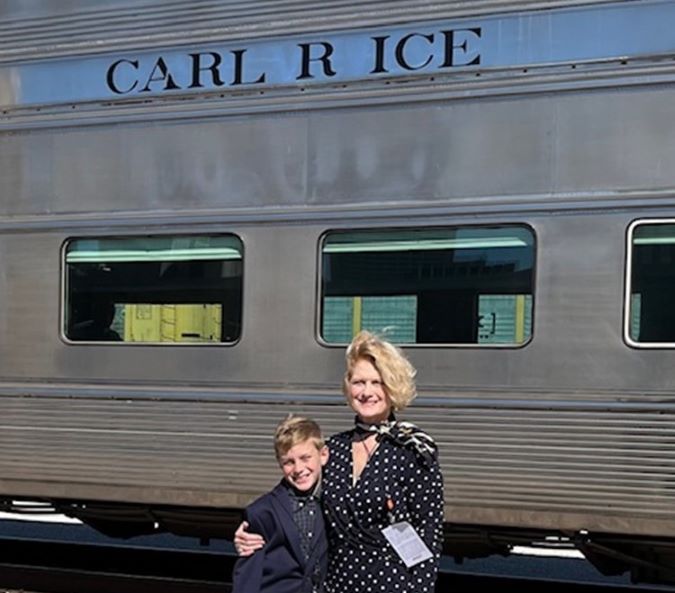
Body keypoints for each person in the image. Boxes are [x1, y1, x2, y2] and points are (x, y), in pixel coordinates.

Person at [236, 331, 444, 593]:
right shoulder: (334, 449)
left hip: (392, 585)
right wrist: (250, 530)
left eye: (376, 382)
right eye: (359, 382)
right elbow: (288, 500)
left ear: (392, 387)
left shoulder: (414, 451)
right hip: (336, 585)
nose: (366, 392)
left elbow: (429, 535)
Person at [232, 415, 330, 593]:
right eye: (289, 462)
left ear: (323, 455)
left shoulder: (335, 501)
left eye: (305, 458)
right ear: (279, 463)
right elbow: (248, 575)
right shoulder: (262, 512)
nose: (299, 469)